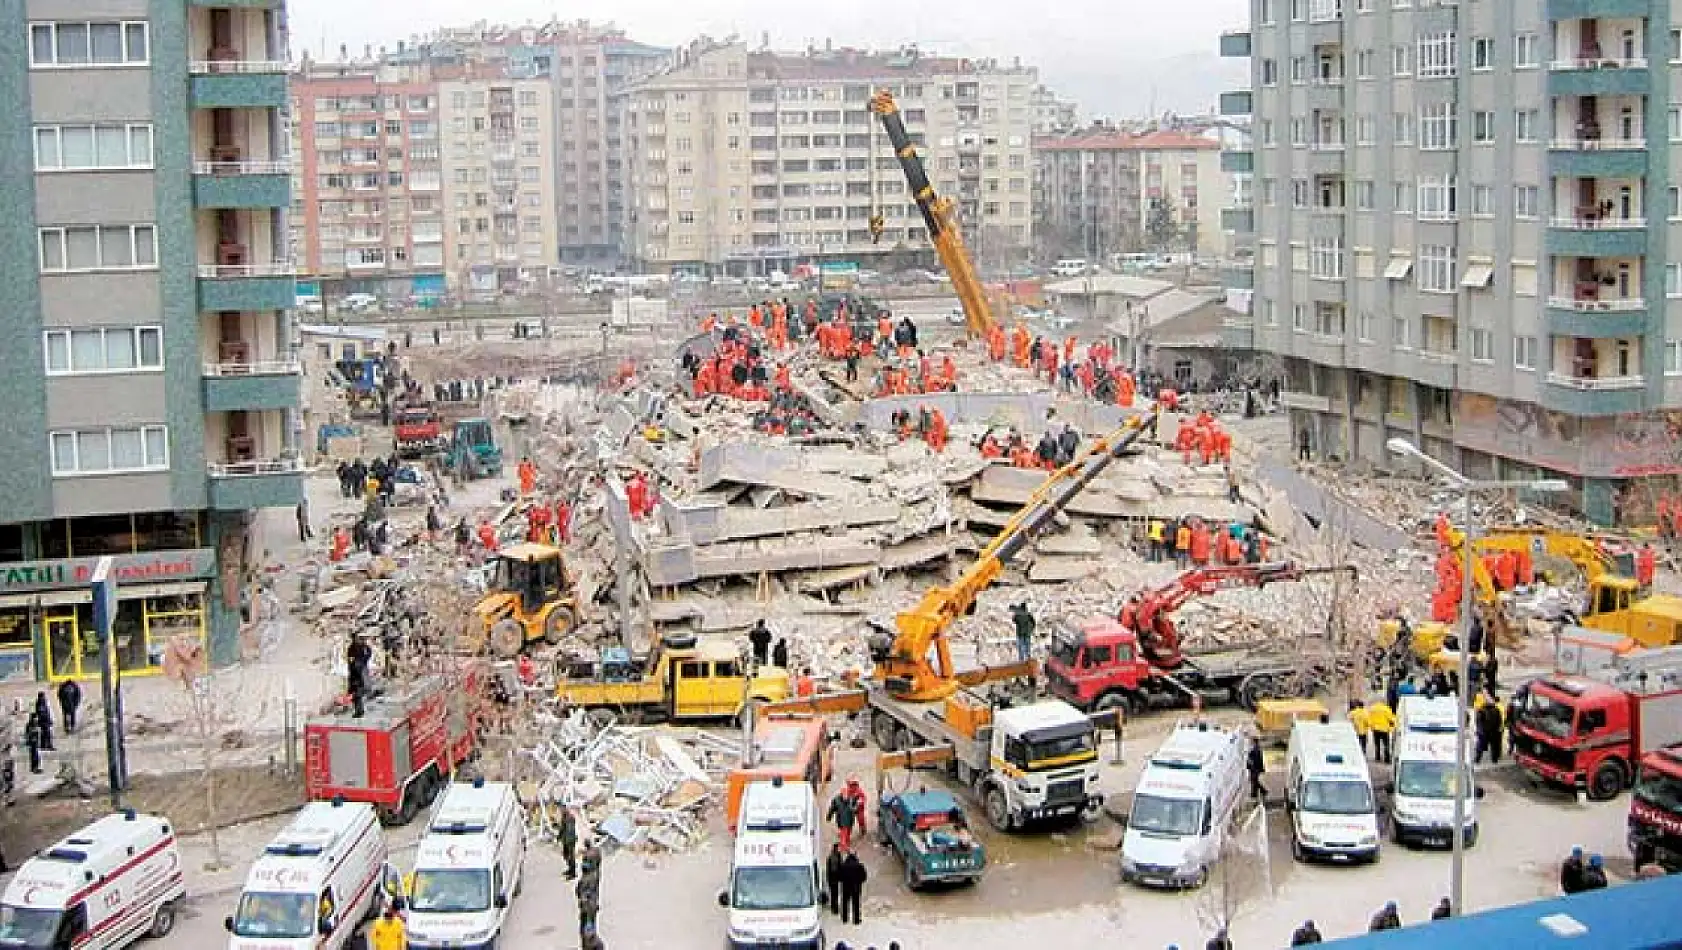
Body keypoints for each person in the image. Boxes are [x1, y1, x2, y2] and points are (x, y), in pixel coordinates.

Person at [827, 781, 866, 851]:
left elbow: (858, 804)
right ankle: (844, 844)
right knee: (844, 832)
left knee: (847, 831)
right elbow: (832, 808)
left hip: (849, 820)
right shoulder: (837, 799)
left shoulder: (854, 797)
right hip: (842, 820)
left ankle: (844, 844)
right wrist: (829, 816)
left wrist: (859, 804)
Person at [836, 849, 868, 925]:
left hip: (845, 888)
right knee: (856, 904)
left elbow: (839, 877)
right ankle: (856, 920)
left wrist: (844, 881)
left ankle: (845, 919)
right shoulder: (860, 866)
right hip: (856, 888)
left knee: (845, 903)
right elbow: (864, 877)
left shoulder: (843, 866)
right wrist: (859, 882)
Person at [347, 635, 373, 718]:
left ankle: (359, 710)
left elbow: (368, 653)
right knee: (356, 692)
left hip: (359, 671)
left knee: (358, 692)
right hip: (356, 671)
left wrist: (363, 660)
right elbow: (350, 659)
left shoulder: (361, 646)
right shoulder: (353, 647)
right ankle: (359, 710)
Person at [1474, 695, 1504, 764]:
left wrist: (1479, 731)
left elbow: (1478, 722)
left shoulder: (1481, 710)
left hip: (1484, 732)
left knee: (1480, 746)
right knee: (1494, 747)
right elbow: (1499, 721)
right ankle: (1494, 760)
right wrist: (1497, 729)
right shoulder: (1496, 710)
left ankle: (1477, 760)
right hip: (1494, 732)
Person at [1367, 699, 1397, 765]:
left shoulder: (1372, 709)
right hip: (1384, 729)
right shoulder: (1386, 709)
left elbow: (1369, 719)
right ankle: (1387, 759)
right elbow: (1391, 718)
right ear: (1384, 702)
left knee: (1377, 744)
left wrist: (1371, 727)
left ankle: (1377, 757)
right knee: (1386, 744)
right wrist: (1394, 725)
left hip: (1375, 729)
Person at [559, 805, 579, 879]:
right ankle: (570, 869)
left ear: (565, 808)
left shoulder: (570, 817)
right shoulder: (564, 817)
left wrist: (569, 840)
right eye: (560, 809)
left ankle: (573, 873)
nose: (560, 810)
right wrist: (559, 837)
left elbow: (570, 830)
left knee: (571, 856)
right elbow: (562, 828)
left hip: (570, 840)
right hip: (565, 839)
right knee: (565, 855)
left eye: (561, 809)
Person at [826, 842, 845, 915]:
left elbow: (841, 866)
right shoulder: (832, 857)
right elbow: (829, 869)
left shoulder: (836, 856)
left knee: (835, 894)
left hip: (835, 878)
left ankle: (835, 908)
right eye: (837, 848)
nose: (838, 849)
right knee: (834, 894)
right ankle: (834, 908)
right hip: (833, 878)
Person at [1247, 736, 1266, 800]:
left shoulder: (1255, 749)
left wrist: (1250, 765)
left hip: (1255, 768)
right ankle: (1255, 793)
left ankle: (1262, 791)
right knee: (1254, 780)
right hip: (1256, 768)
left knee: (1254, 780)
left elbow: (1255, 759)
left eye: (1252, 741)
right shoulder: (1257, 749)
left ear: (1254, 742)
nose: (1251, 742)